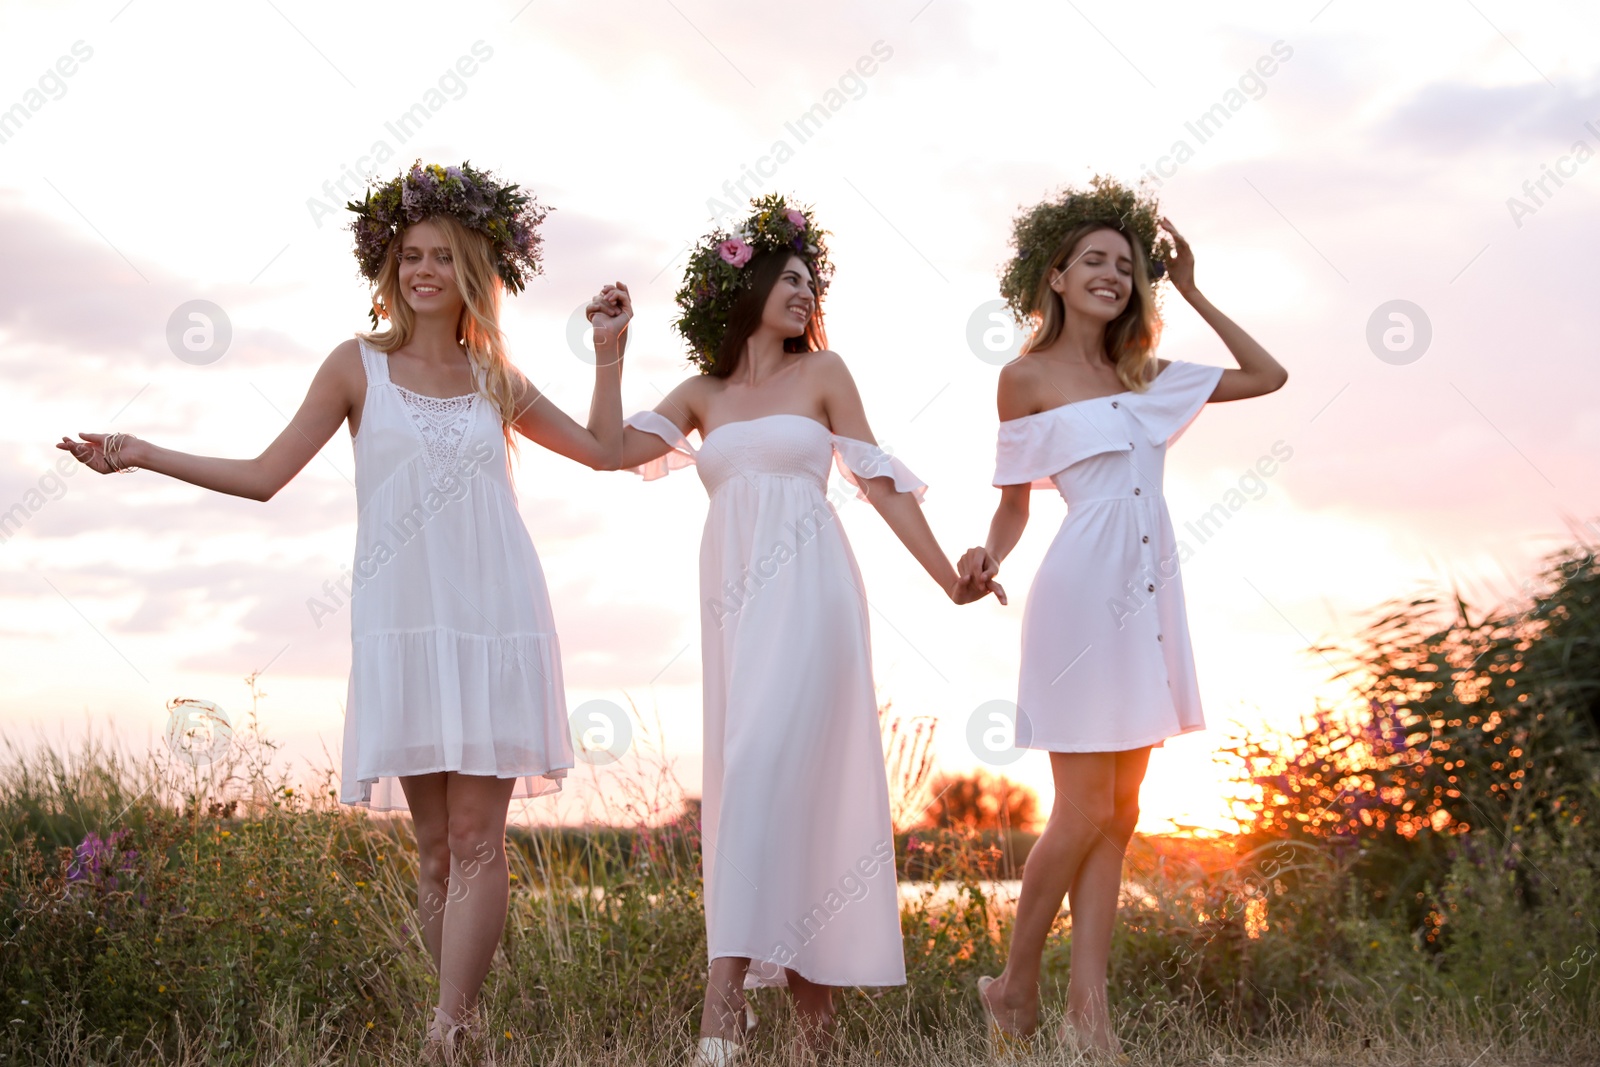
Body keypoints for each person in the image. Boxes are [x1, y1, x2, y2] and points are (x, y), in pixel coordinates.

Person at [58, 161, 631, 1061]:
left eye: (441, 255)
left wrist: (608, 353)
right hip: (403, 624)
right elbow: (262, 476)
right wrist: (139, 451)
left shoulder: (497, 378)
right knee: (436, 847)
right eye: (409, 255)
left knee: (481, 833)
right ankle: (457, 1027)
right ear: (390, 267)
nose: (422, 270)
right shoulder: (355, 364)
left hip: (493, 620)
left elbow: (603, 450)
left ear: (474, 267)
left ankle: (449, 1030)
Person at [616, 196, 999, 1065]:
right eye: (788, 277)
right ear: (743, 285)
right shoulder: (702, 393)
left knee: (767, 771)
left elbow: (878, 482)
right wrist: (609, 353)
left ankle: (723, 999)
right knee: (773, 784)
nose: (803, 293)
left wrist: (949, 580)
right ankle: (815, 1032)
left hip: (815, 595)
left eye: (809, 283)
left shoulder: (825, 372)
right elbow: (611, 449)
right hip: (737, 609)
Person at [963, 177, 1287, 1054]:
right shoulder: (1023, 377)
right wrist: (986, 553)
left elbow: (1269, 374)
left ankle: (1089, 1015)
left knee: (1124, 808)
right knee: (1081, 808)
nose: (1113, 273)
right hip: (1078, 591)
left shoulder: (1149, 376)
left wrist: (1191, 287)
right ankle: (1014, 984)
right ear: (1056, 275)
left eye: (1127, 264)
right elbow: (1014, 506)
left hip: (1150, 593)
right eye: (1094, 260)